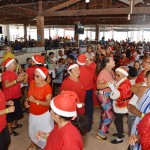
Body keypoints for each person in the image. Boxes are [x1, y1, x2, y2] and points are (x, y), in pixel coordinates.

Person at [25, 66, 54, 149]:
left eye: (37, 76)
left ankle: (45, 146)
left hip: (43, 115)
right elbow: (28, 95)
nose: (34, 77)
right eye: (34, 75)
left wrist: (35, 101)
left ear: (43, 78)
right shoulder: (32, 83)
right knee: (32, 129)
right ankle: (33, 144)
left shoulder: (47, 87)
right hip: (32, 113)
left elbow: (49, 103)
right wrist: (26, 101)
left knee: (44, 132)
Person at [2, 58, 28, 136]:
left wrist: (21, 76)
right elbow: (6, 85)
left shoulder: (12, 72)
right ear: (9, 66)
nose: (16, 65)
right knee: (10, 115)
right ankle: (10, 130)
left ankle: (14, 124)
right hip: (10, 98)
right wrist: (16, 80)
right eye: (14, 64)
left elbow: (20, 81)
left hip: (15, 96)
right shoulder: (7, 73)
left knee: (15, 113)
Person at [109, 67, 132, 144]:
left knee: (117, 121)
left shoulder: (123, 84)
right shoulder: (125, 81)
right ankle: (121, 133)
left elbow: (115, 96)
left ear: (123, 75)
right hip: (123, 104)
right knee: (119, 120)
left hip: (121, 105)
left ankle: (119, 138)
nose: (116, 76)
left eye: (118, 75)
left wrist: (112, 89)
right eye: (115, 74)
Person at [129, 70, 150, 150]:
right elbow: (130, 106)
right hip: (141, 124)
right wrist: (144, 116)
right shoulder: (144, 89)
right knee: (136, 144)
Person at [96, 56, 115, 140]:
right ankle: (101, 134)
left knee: (105, 113)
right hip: (103, 95)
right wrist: (108, 84)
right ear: (107, 63)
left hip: (109, 94)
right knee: (110, 115)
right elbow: (98, 86)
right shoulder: (103, 72)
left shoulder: (111, 71)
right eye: (112, 60)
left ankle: (103, 127)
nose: (114, 61)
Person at [77, 54, 94, 131]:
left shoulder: (76, 71)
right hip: (89, 92)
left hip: (79, 92)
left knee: (79, 109)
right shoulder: (89, 70)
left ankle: (79, 126)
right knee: (89, 110)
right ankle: (88, 127)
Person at [0, 72, 15, 150]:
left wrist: (6, 103)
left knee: (7, 141)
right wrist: (7, 110)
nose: (1, 75)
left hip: (3, 122)